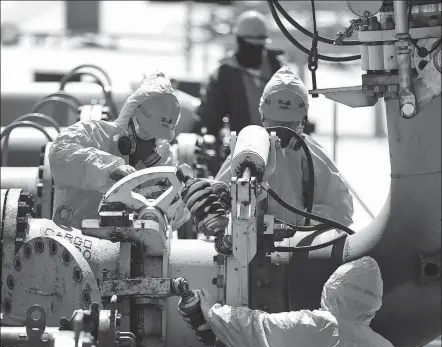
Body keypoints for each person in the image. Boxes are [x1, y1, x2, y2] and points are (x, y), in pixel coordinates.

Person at [184, 257, 410, 347]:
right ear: (374, 303)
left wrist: (213, 312)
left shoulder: (311, 326)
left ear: (333, 288)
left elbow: (255, 327)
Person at [183, 66, 354, 229]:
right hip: (251, 245)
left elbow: (342, 211)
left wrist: (304, 221)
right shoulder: (248, 150)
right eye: (277, 123)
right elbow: (217, 201)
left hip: (301, 247)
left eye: (288, 125)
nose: (280, 132)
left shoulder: (311, 155)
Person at [49, 70, 188, 229]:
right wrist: (110, 167)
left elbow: (176, 219)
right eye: (144, 131)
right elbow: (59, 153)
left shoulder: (163, 160)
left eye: (156, 135)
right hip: (75, 237)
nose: (148, 140)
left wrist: (177, 198)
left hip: (127, 244)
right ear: (130, 116)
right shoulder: (95, 134)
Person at [192, 10, 285, 137]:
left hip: (278, 143)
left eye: (258, 47)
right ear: (239, 42)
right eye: (250, 46)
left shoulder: (278, 69)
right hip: (242, 146)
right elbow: (210, 115)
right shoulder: (225, 74)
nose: (254, 51)